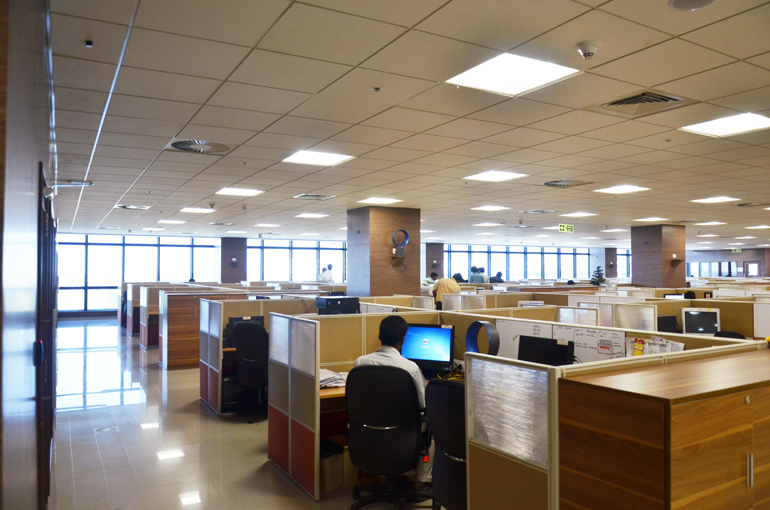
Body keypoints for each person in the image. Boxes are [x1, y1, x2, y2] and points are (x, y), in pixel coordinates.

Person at [354, 315, 433, 482]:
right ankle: (423, 478)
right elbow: (424, 404)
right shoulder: (410, 368)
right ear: (403, 340)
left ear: (379, 336)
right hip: (404, 430)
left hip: (369, 427)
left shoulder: (360, 363)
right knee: (436, 424)